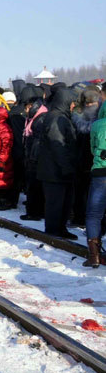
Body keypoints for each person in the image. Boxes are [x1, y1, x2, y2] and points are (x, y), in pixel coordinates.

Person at [36, 87, 77, 239]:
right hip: (54, 170)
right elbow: (57, 145)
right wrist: (66, 167)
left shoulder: (61, 116)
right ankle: (53, 232)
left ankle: (60, 229)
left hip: (58, 169)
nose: (73, 105)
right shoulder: (55, 118)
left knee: (64, 203)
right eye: (72, 102)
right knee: (55, 204)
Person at [71, 87, 100, 227]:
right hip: (89, 160)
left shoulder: (78, 116)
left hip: (84, 159)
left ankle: (81, 217)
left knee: (83, 191)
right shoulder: (97, 118)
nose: (90, 106)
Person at [84, 100, 106, 267]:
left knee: (94, 214)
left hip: (100, 173)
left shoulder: (97, 125)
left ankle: (94, 256)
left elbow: (92, 149)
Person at [20, 86, 47, 221]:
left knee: (35, 187)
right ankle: (34, 210)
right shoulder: (33, 117)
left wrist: (32, 159)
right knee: (33, 187)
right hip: (32, 157)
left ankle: (34, 212)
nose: (25, 111)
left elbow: (38, 141)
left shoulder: (40, 118)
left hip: (35, 159)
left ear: (31, 106)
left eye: (26, 108)